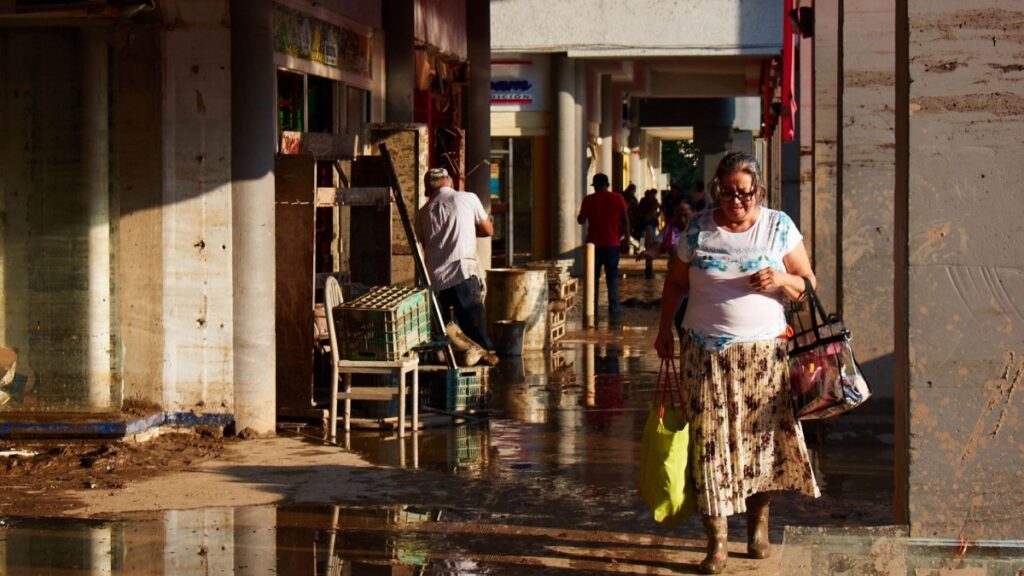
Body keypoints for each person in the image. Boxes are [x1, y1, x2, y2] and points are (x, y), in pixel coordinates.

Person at [654, 152, 819, 574]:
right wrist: (662, 332)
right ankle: (717, 543)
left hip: (763, 359)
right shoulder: (698, 228)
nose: (736, 201)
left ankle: (758, 528)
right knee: (709, 447)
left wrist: (781, 278)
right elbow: (675, 283)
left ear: (757, 190)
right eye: (727, 192)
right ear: (716, 190)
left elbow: (809, 284)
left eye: (744, 192)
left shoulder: (778, 226)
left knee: (759, 446)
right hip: (704, 355)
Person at [417, 167, 494, 350]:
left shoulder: (422, 212)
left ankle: (448, 370)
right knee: (476, 335)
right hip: (462, 274)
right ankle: (488, 367)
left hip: (436, 281)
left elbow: (423, 241)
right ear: (449, 181)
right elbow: (488, 230)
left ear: (428, 189)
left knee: (444, 338)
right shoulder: (468, 198)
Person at [578, 173, 630, 318]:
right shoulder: (618, 198)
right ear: (607, 184)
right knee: (612, 277)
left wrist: (584, 214)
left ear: (595, 186)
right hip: (612, 245)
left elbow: (580, 220)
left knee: (592, 278)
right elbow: (626, 221)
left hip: (593, 247)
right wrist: (627, 240)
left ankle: (592, 308)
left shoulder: (589, 200)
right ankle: (614, 308)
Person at [637, 196, 694, 325]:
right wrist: (648, 253)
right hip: (678, 283)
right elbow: (658, 245)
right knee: (680, 321)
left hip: (697, 285)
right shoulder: (670, 230)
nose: (682, 219)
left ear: (693, 212)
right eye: (678, 215)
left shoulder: (703, 230)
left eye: (685, 215)